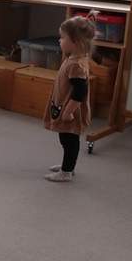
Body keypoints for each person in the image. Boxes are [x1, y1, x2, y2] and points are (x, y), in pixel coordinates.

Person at [42, 16, 94, 183]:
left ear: (75, 42)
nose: (59, 40)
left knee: (69, 140)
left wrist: (68, 111)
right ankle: (68, 165)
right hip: (65, 106)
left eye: (63, 37)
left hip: (71, 111)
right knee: (66, 140)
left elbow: (80, 92)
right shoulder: (73, 59)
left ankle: (67, 171)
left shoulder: (76, 65)